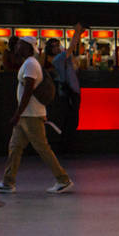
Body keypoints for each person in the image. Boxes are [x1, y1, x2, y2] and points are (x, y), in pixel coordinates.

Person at [0, 36, 74, 194]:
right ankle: (8, 182)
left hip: (31, 115)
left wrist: (17, 114)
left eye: (21, 44)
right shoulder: (28, 63)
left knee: (42, 148)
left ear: (28, 47)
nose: (17, 47)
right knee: (15, 147)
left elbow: (28, 91)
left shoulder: (31, 64)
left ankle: (63, 180)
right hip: (27, 115)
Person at [45, 24, 85, 153]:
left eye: (58, 45)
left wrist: (78, 34)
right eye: (54, 46)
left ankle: (67, 146)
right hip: (69, 92)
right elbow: (72, 47)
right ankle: (68, 147)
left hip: (71, 90)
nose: (57, 48)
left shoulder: (62, 57)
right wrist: (77, 32)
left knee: (71, 120)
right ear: (50, 50)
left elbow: (73, 50)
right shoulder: (58, 59)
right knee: (71, 120)